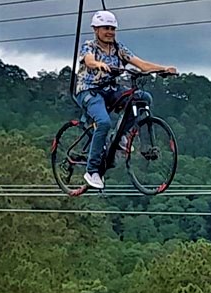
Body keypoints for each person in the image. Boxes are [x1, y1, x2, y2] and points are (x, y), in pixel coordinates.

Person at [75, 10, 177, 189]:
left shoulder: (118, 48)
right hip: (89, 91)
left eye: (112, 28)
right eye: (105, 28)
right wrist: (99, 64)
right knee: (104, 123)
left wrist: (163, 69)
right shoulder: (89, 46)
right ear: (95, 29)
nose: (110, 32)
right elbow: (89, 61)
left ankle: (122, 135)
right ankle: (92, 171)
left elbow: (141, 64)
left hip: (110, 90)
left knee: (142, 98)